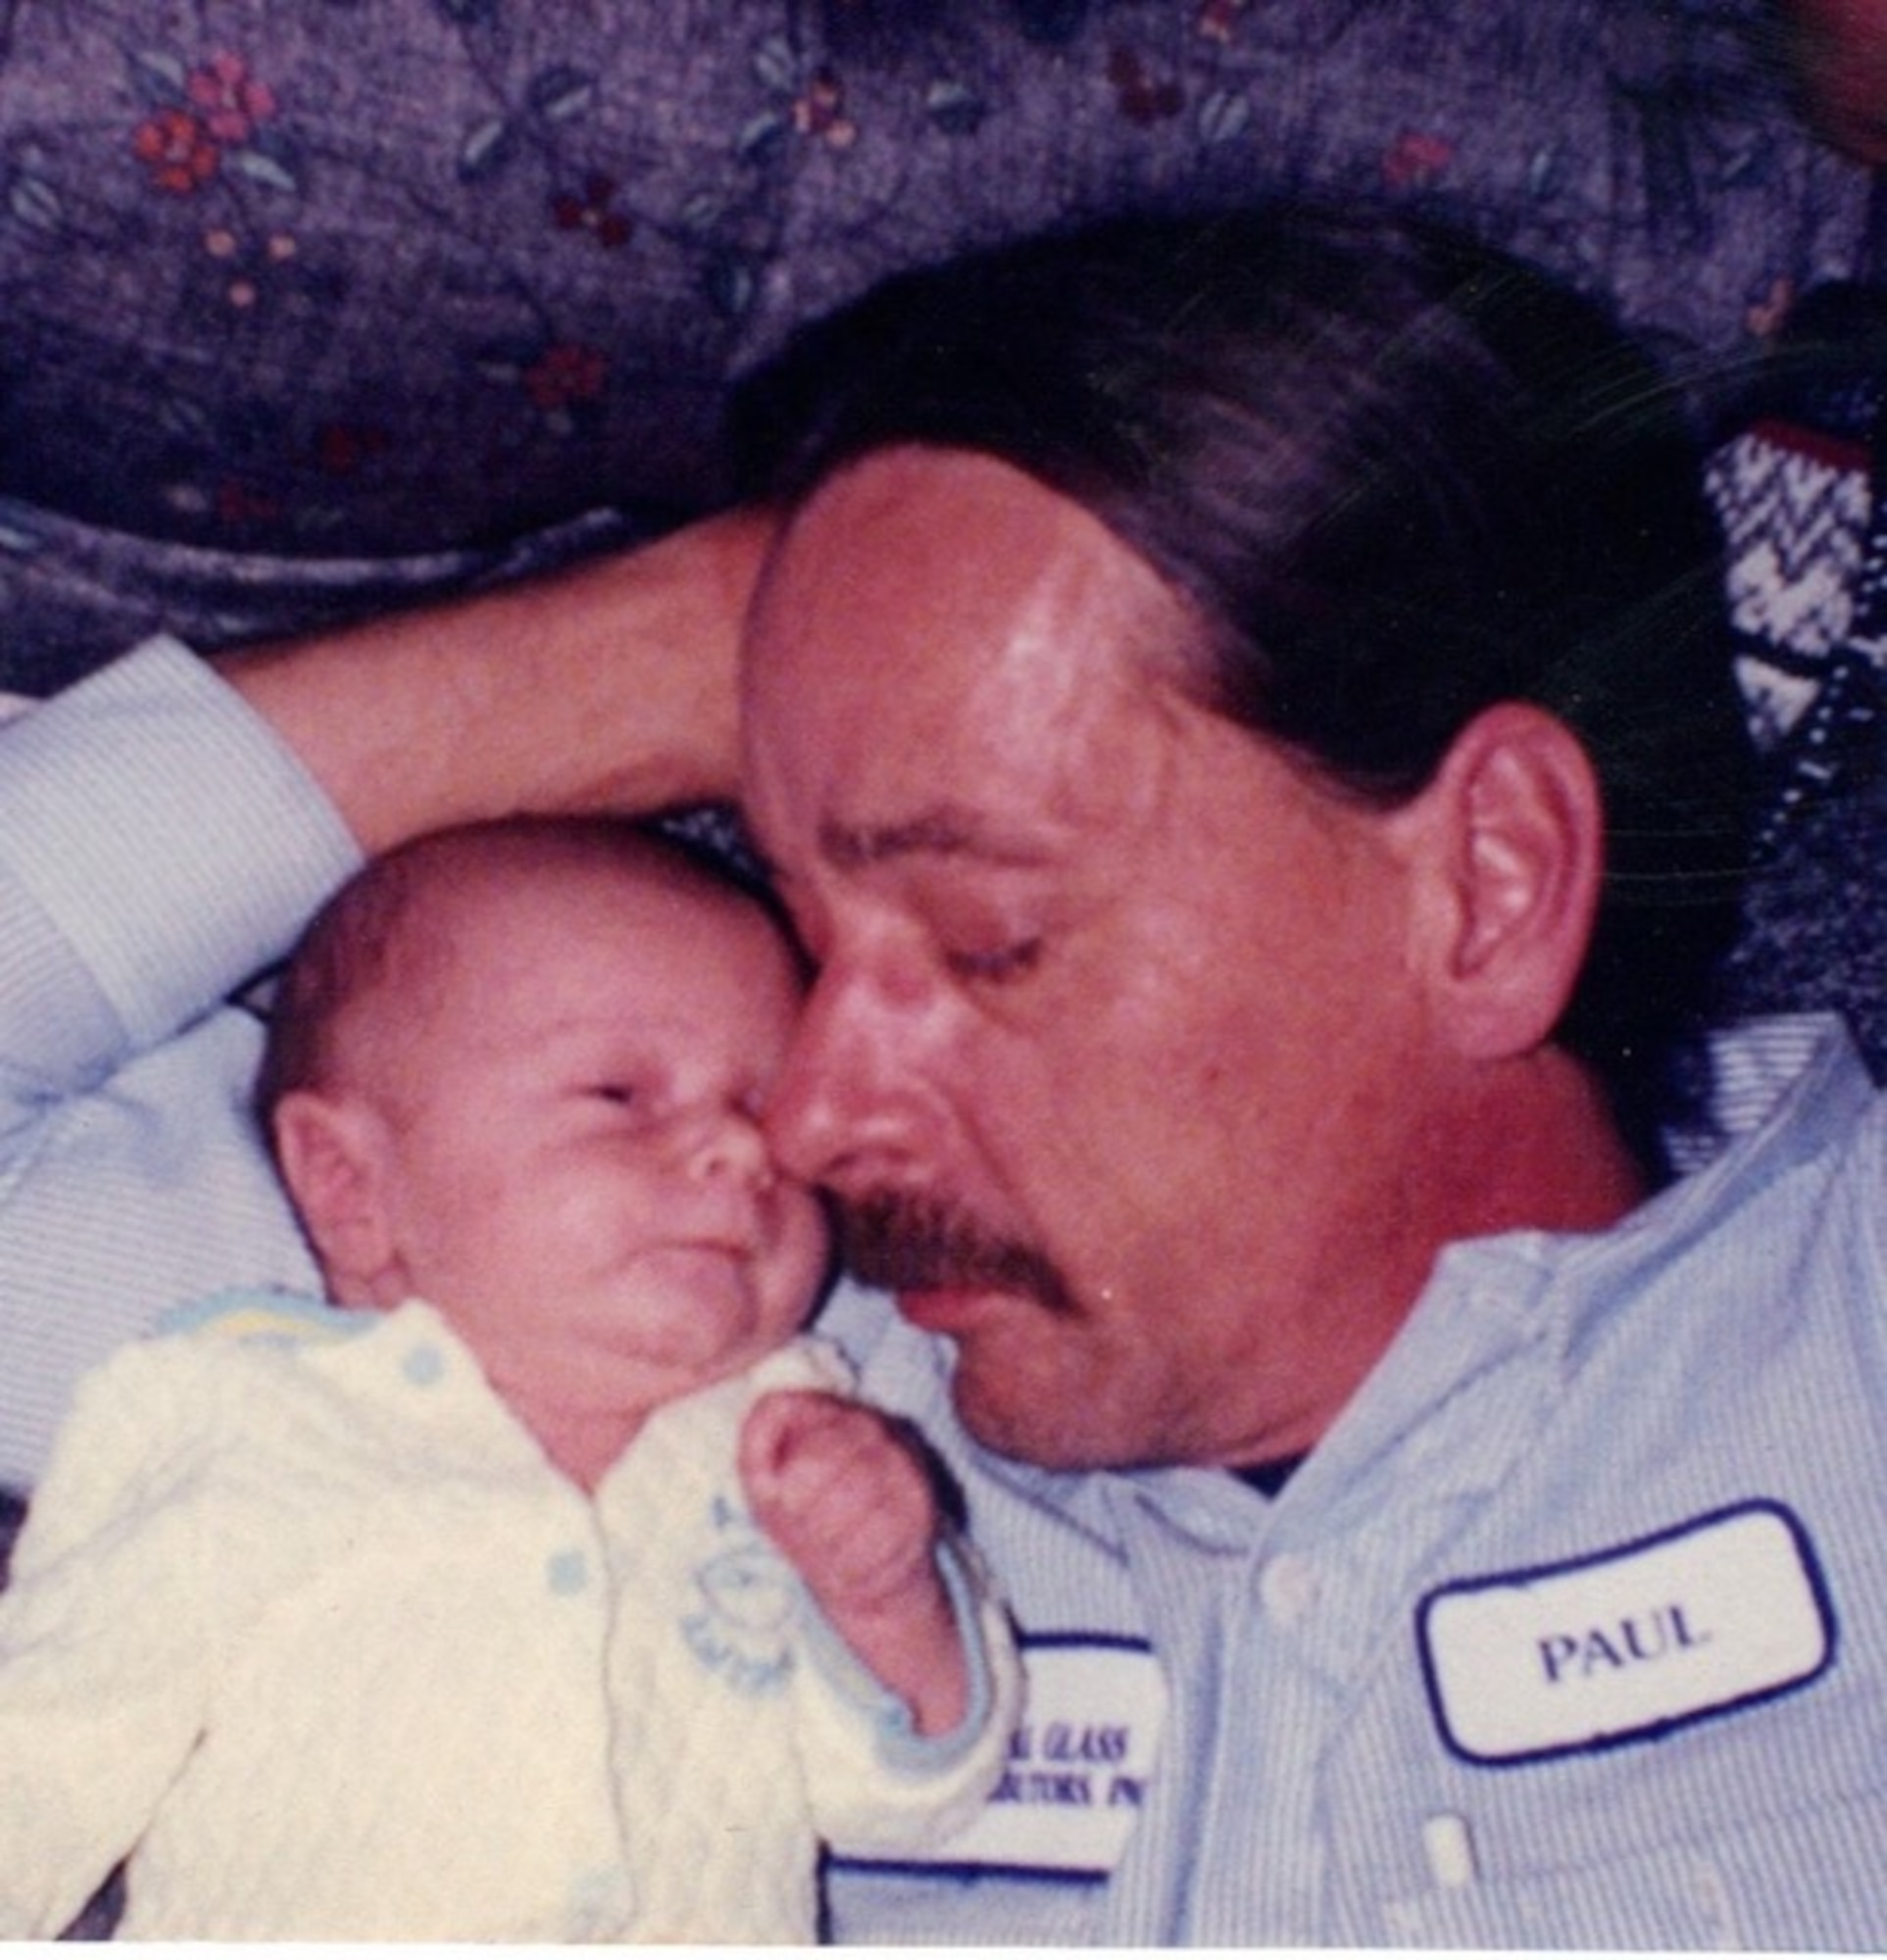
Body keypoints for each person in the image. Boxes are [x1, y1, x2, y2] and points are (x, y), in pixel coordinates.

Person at [0, 201, 1884, 1947]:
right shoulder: (678, 1352)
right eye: (814, 936)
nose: (807, 1119)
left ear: (1484, 887)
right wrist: (668, 652)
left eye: (985, 940)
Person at [0, 816, 1018, 1941]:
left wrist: (880, 1593)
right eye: (620, 1096)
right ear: (348, 1183)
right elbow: (50, 1740)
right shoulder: (252, 1416)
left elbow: (904, 1798)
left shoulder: (796, 1437)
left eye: (766, 1119)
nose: (737, 1152)